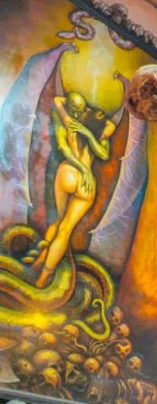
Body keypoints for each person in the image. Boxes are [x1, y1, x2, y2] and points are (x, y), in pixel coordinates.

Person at [27, 92, 116, 287]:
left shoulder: (68, 122)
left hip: (69, 172)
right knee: (66, 229)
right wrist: (89, 134)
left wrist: (80, 125)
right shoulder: (101, 132)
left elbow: (59, 101)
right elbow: (104, 150)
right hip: (87, 184)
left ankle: (40, 261)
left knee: (57, 221)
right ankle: (44, 275)